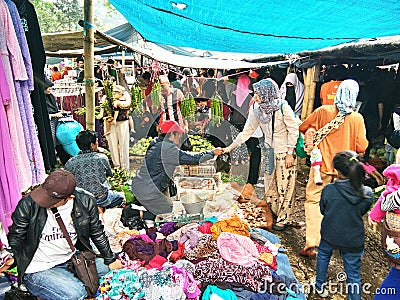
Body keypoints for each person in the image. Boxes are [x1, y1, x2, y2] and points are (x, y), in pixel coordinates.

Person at [7, 170, 122, 300]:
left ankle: (60, 285)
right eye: (45, 196)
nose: (44, 201)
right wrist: (13, 257)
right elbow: (16, 236)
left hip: (72, 259)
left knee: (108, 269)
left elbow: (97, 232)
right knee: (76, 294)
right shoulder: (28, 204)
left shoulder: (85, 201)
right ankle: (44, 287)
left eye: (51, 200)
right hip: (39, 267)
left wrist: (110, 259)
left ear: (69, 198)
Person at [299, 79, 368, 257]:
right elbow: (361, 147)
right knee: (341, 204)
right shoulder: (357, 118)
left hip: (320, 167)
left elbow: (304, 126)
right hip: (345, 172)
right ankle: (335, 242)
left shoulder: (323, 111)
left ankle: (313, 243)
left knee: (314, 201)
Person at [223, 79, 299, 231]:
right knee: (270, 185)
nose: (255, 96)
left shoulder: (283, 107)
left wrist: (290, 152)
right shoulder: (257, 109)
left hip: (285, 152)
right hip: (268, 151)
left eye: (258, 93)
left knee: (285, 186)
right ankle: (274, 212)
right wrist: (229, 148)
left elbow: (293, 130)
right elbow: (247, 131)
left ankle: (284, 219)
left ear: (267, 93)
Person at [131, 120, 223, 220]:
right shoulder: (167, 148)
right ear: (172, 134)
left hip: (142, 185)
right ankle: (133, 213)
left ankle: (144, 210)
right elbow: (193, 159)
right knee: (165, 212)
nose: (179, 137)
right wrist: (212, 152)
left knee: (169, 204)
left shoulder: (156, 142)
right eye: (178, 134)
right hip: (149, 190)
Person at [315, 151, 373, 299]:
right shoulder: (367, 193)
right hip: (352, 239)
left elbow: (323, 210)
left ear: (336, 170)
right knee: (353, 273)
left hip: (329, 233)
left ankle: (320, 286)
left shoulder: (328, 190)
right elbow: (361, 211)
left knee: (323, 255)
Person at [65, 130, 124, 211]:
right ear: (92, 145)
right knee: (121, 198)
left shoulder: (70, 163)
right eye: (96, 141)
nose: (97, 143)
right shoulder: (102, 158)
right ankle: (101, 209)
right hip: (102, 198)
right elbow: (110, 174)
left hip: (82, 201)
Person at [99, 85, 131, 170]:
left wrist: (118, 103)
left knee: (123, 144)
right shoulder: (106, 97)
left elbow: (127, 104)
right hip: (110, 122)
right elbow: (102, 108)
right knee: (112, 145)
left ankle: (125, 168)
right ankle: (116, 166)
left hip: (122, 122)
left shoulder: (125, 95)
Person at [43, 78, 72, 165]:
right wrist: (54, 115)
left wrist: (61, 113)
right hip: (48, 124)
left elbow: (54, 109)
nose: (49, 89)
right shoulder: (40, 99)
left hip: (56, 122)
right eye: (47, 87)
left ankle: (65, 161)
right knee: (52, 142)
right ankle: (52, 163)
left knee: (59, 141)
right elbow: (41, 115)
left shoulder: (50, 96)